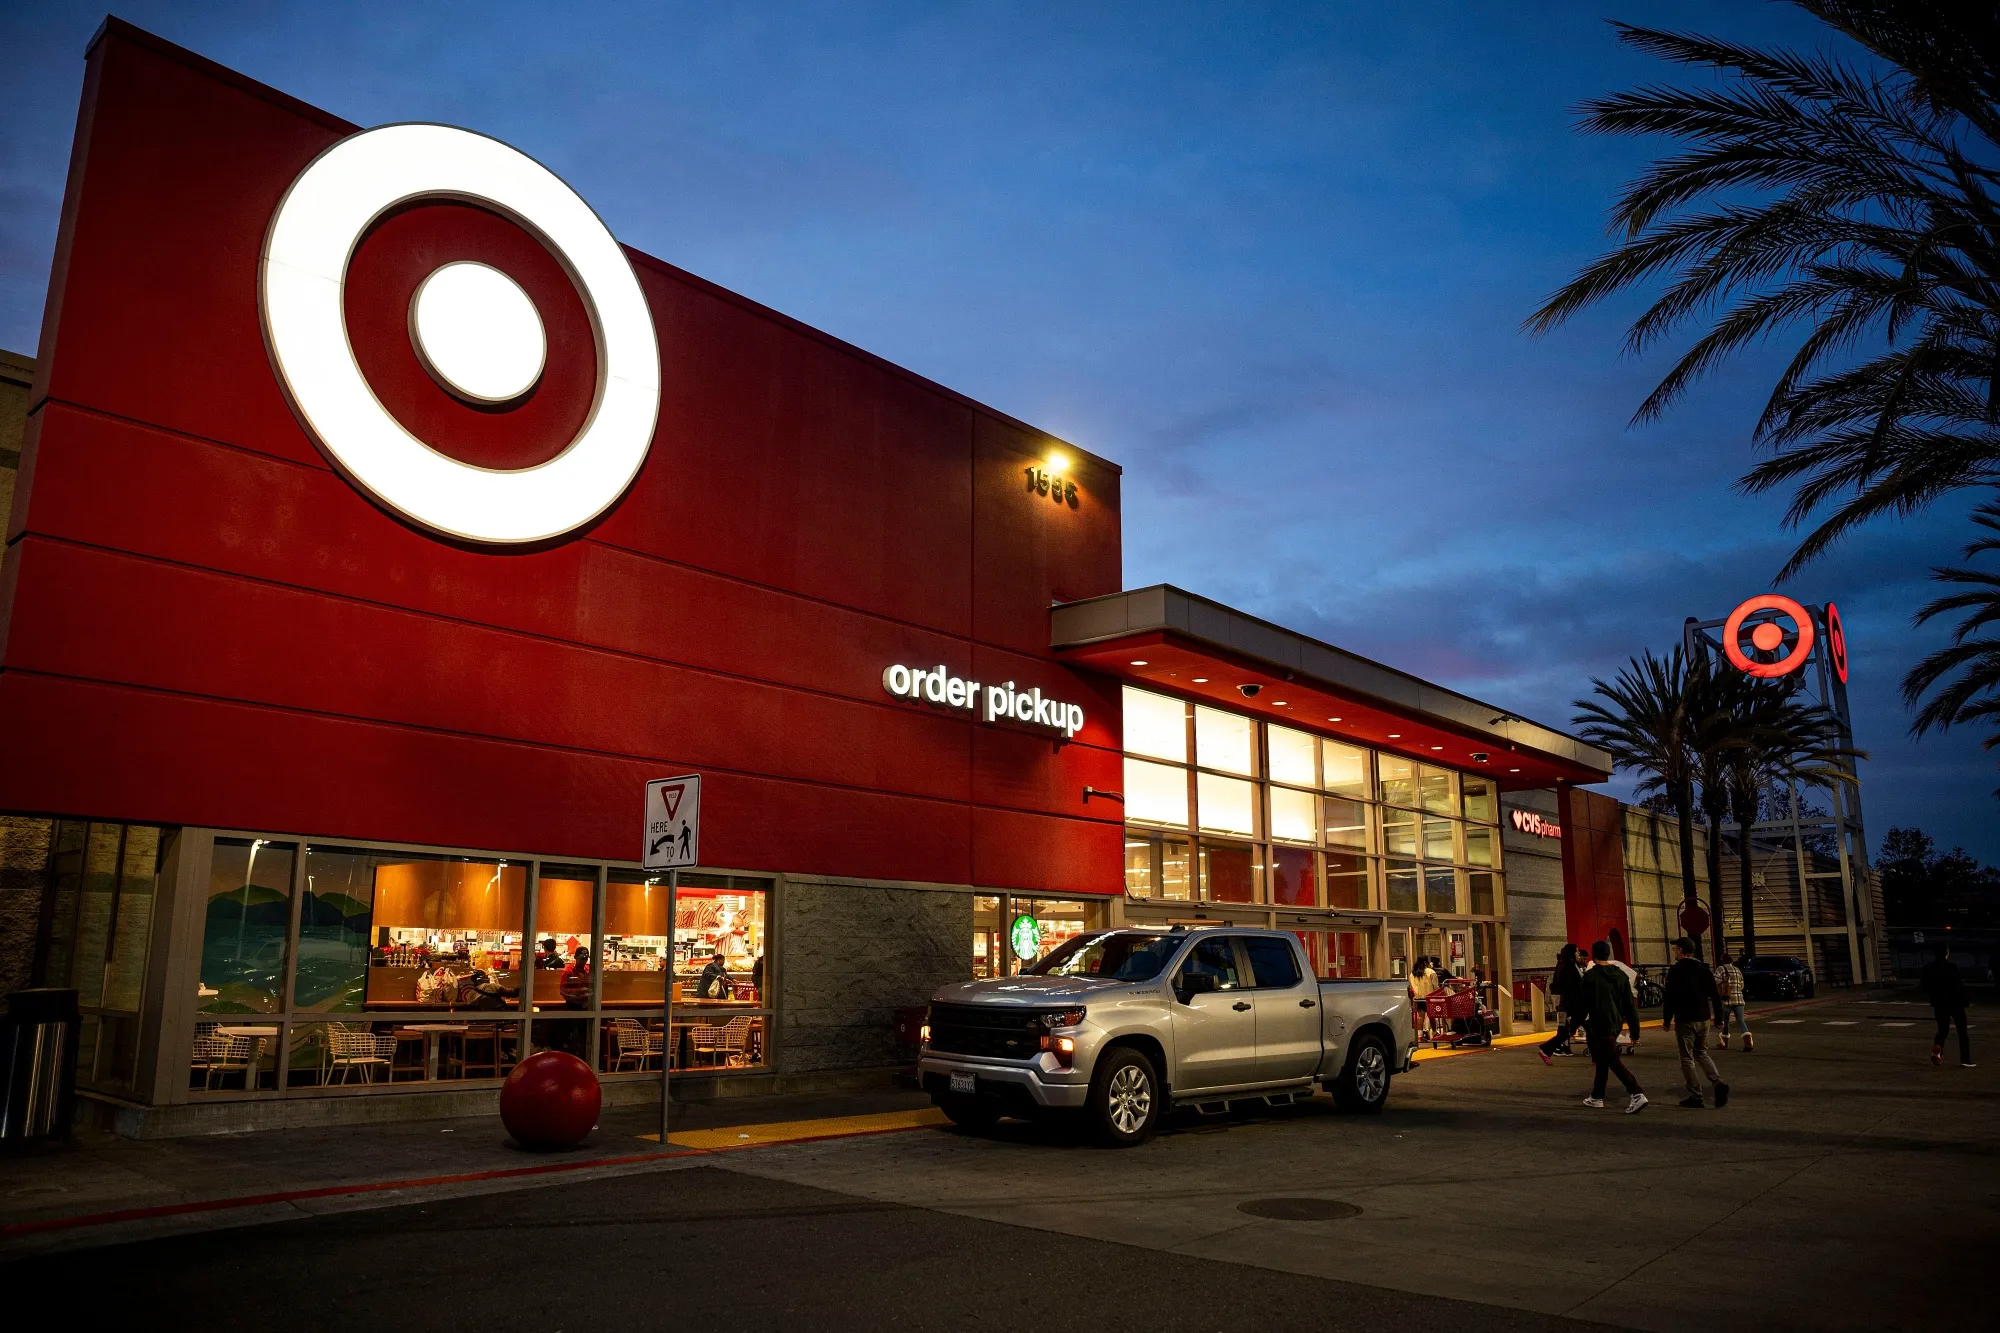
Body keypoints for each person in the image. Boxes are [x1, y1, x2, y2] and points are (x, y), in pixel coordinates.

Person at [1575, 939, 1647, 1113]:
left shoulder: (1590, 977)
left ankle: (1636, 1093)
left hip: (1598, 1024)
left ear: (1594, 954)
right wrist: (1635, 1032)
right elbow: (1629, 1006)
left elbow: (1582, 1005)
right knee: (1603, 1059)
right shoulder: (1620, 975)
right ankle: (1597, 1096)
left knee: (1612, 1060)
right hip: (1615, 1023)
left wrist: (1574, 1026)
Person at [1661, 937, 1730, 1109]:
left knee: (1687, 1057)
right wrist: (1718, 1017)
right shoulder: (1703, 968)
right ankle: (1717, 1082)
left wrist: (1667, 1019)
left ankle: (1695, 1095)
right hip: (1703, 1018)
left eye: (1676, 949)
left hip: (1685, 1019)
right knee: (1701, 1053)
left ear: (1681, 951)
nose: (1674, 952)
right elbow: (1715, 994)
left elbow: (1670, 997)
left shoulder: (1676, 971)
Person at [1921, 942, 1974, 1068]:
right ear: (1947, 953)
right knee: (1962, 1032)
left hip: (1939, 1003)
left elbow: (1924, 985)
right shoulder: (1952, 967)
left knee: (1942, 1030)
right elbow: (1958, 985)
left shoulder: (1929, 968)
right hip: (1955, 1003)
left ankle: (1938, 1049)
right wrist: (1966, 998)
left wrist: (1934, 995)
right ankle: (1965, 1059)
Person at [1538, 944, 1585, 1064]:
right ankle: (1549, 1049)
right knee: (1567, 1029)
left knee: (1569, 1030)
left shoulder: (1572, 965)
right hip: (1571, 1004)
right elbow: (1568, 988)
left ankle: (1547, 1049)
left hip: (1574, 1004)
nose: (1578, 954)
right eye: (1577, 952)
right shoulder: (1566, 967)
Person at [1715, 952, 1751, 1050]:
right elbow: (1742, 985)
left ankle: (1724, 1043)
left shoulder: (1720, 969)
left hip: (1726, 999)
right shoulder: (1737, 970)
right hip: (1739, 999)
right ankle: (1748, 1042)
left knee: (1725, 1021)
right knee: (1741, 1020)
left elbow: (1716, 982)